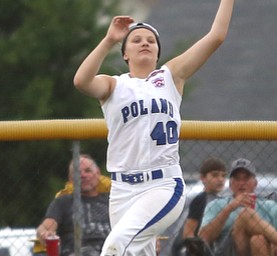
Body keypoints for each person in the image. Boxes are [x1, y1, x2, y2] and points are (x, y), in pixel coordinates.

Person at [73, 1, 234, 254]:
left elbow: (217, 36)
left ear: (158, 52)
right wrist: (108, 41)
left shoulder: (170, 77)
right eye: (136, 40)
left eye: (151, 39)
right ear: (124, 53)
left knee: (115, 246)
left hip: (162, 185)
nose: (145, 42)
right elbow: (82, 81)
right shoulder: (114, 85)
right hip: (122, 190)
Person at [199, 158, 277, 256]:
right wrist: (230, 208)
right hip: (229, 251)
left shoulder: (269, 206)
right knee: (246, 214)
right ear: (231, 184)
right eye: (237, 178)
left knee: (258, 240)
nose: (241, 183)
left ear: (255, 183)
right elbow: (203, 238)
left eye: (246, 178)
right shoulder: (217, 205)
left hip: (264, 250)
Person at [36, 155, 111, 256]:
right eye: (77, 172)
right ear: (71, 179)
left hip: (110, 250)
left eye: (87, 171)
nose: (83, 175)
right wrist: (45, 233)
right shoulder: (63, 202)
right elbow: (45, 227)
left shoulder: (111, 200)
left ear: (98, 173)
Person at [183, 157, 227, 239]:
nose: (220, 179)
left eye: (223, 176)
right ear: (203, 178)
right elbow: (188, 232)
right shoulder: (200, 200)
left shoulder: (222, 200)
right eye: (215, 175)